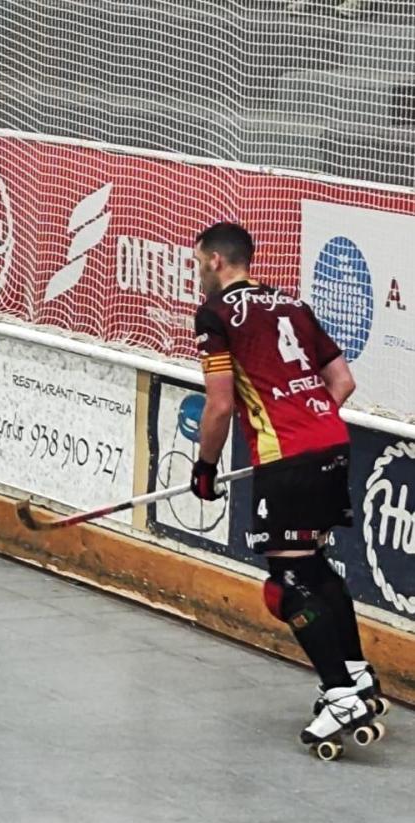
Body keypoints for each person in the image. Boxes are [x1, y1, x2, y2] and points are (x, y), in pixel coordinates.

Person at [189, 221, 385, 759]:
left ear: (215, 262)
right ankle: (353, 671)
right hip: (332, 443)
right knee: (314, 566)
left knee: (288, 579)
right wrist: (310, 425)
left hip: (291, 458)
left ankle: (341, 694)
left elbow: (221, 404)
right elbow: (341, 382)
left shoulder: (216, 316)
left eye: (198, 262)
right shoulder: (292, 304)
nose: (197, 273)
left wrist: (204, 467)